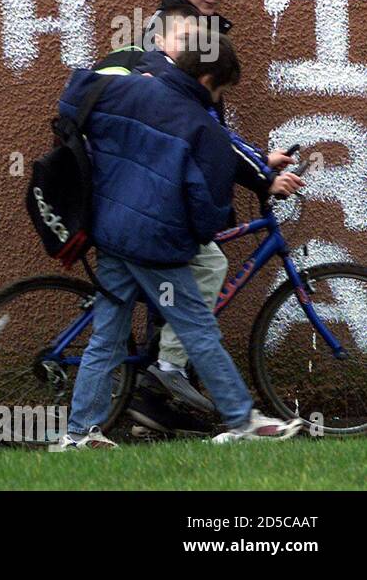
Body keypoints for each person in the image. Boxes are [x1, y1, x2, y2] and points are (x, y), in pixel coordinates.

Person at [57, 29, 303, 448]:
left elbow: (74, 98)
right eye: (220, 89)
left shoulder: (130, 88)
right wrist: (191, 234)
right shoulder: (197, 125)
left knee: (108, 335)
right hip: (155, 248)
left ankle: (79, 433)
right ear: (208, 81)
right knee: (197, 330)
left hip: (111, 234)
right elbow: (208, 211)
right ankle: (242, 421)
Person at [123, 0, 302, 435]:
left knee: (174, 296)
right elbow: (199, 124)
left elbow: (206, 126)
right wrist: (261, 173)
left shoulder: (187, 28)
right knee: (197, 276)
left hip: (167, 179)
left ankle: (153, 412)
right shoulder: (180, 35)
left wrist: (257, 160)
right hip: (169, 185)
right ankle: (161, 392)